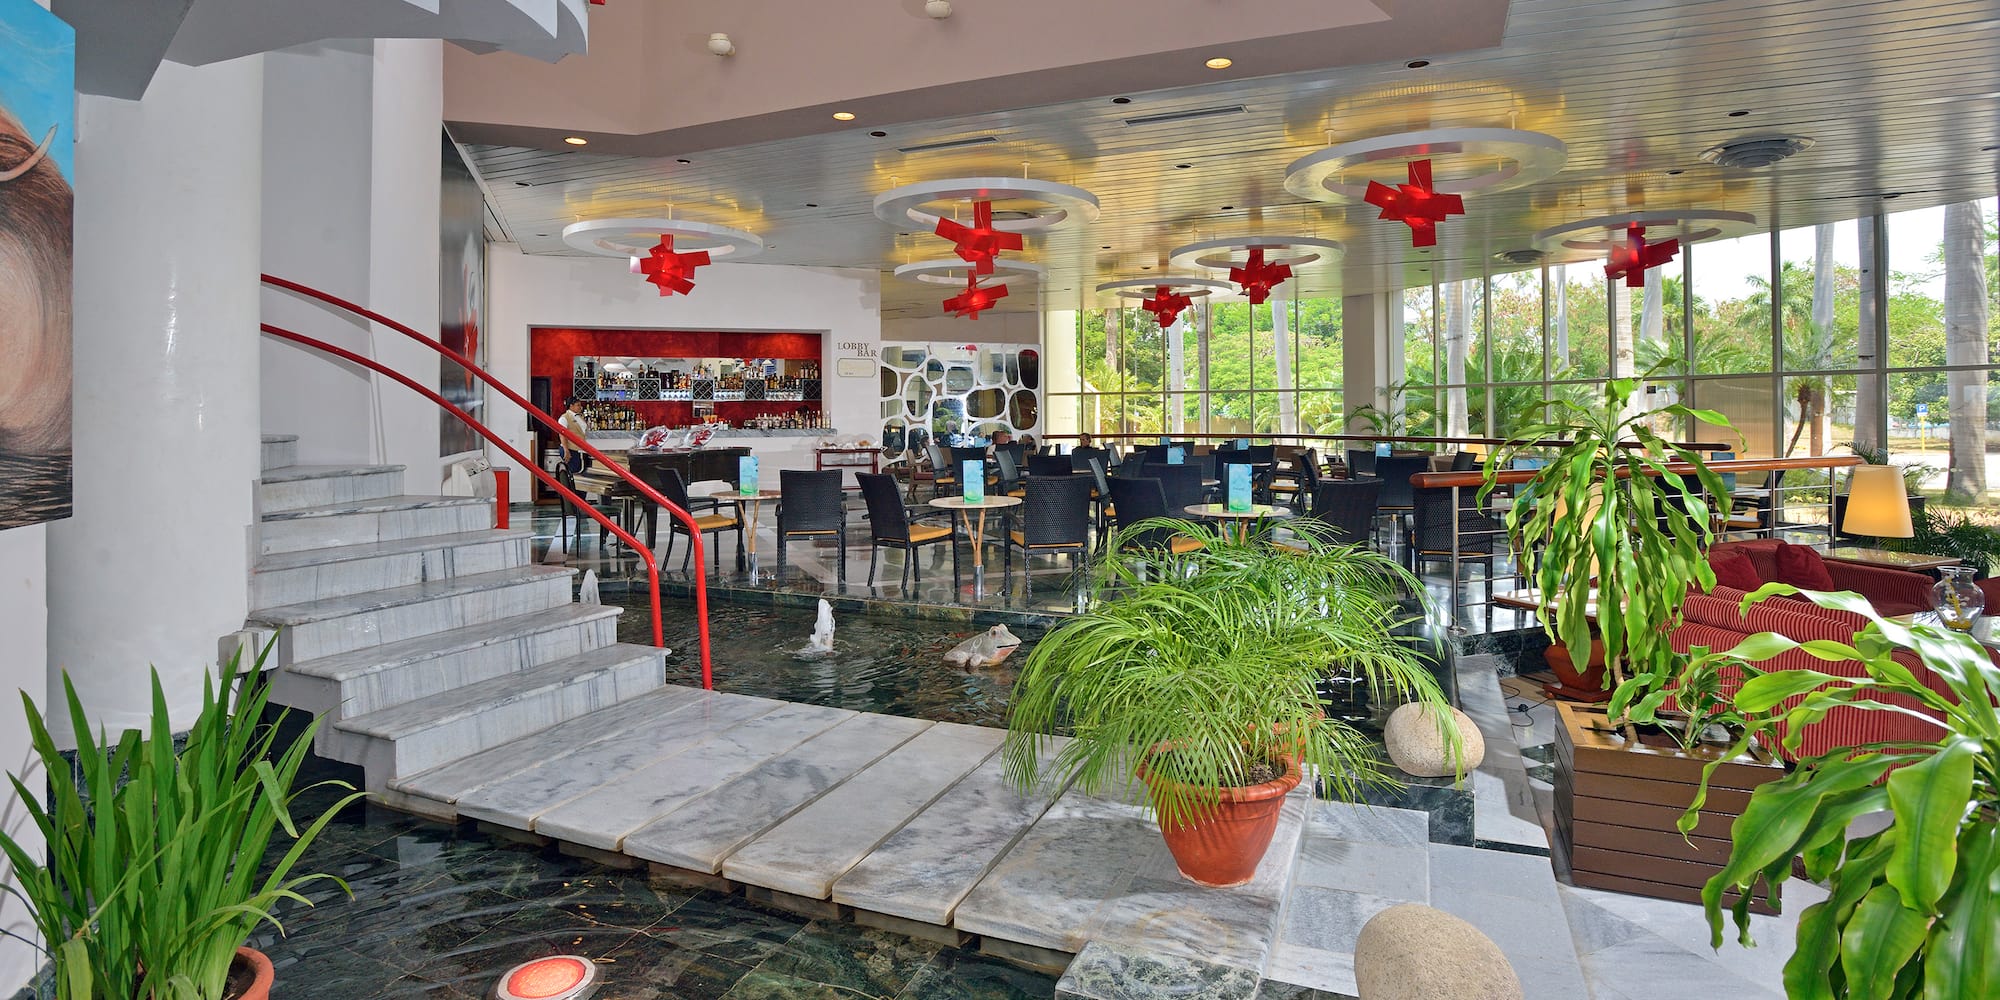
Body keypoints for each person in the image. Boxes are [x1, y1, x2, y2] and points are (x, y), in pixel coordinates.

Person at [559, 398, 592, 475]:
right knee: (573, 471)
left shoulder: (579, 416)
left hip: (579, 449)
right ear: (571, 406)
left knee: (579, 470)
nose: (580, 407)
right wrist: (566, 450)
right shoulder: (564, 418)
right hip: (570, 449)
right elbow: (562, 434)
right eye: (578, 405)